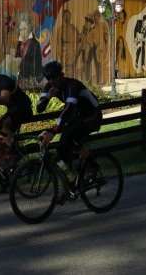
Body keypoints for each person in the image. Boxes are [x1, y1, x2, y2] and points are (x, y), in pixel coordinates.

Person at [36, 60, 102, 191]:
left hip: (92, 115)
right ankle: (72, 178)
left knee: (69, 138)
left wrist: (53, 132)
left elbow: (69, 109)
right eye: (49, 78)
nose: (52, 81)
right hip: (77, 116)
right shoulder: (49, 86)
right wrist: (47, 97)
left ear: (62, 75)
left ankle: (91, 168)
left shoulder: (72, 86)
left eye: (54, 77)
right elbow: (39, 108)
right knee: (61, 149)